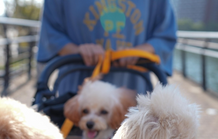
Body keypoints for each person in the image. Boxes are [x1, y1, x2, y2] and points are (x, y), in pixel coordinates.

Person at [36, 0, 177, 94]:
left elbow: (165, 35)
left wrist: (140, 51)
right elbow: (51, 33)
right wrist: (77, 51)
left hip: (134, 97)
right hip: (75, 98)